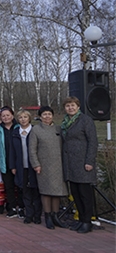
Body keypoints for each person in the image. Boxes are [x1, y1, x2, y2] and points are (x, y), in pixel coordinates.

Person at [61, 97, 98, 234]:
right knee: (75, 193)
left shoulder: (85, 120)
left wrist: (89, 161)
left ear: (78, 106)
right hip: (70, 165)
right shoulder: (65, 122)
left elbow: (93, 142)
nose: (70, 108)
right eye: (67, 106)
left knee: (85, 194)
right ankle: (81, 219)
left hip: (83, 164)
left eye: (73, 105)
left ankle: (87, 221)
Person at [28, 106, 68, 230]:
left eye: (49, 114)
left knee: (57, 192)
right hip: (44, 166)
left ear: (53, 115)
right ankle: (48, 217)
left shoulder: (58, 129)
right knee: (46, 192)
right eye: (44, 114)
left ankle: (56, 216)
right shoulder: (36, 130)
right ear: (40, 117)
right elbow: (32, 149)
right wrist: (36, 164)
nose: (47, 117)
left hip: (58, 166)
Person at [9, 110, 41, 224]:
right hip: (21, 165)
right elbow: (12, 151)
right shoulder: (15, 132)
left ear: (29, 118)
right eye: (20, 117)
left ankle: (37, 215)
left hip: (34, 165)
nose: (23, 119)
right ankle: (29, 214)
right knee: (25, 191)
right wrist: (13, 166)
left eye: (25, 117)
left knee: (35, 190)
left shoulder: (35, 130)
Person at [0, 106, 24, 218]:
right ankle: (11, 207)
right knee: (9, 186)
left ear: (12, 115)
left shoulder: (19, 128)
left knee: (20, 186)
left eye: (8, 115)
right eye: (3, 116)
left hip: (18, 161)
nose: (6, 117)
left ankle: (21, 207)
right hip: (4, 161)